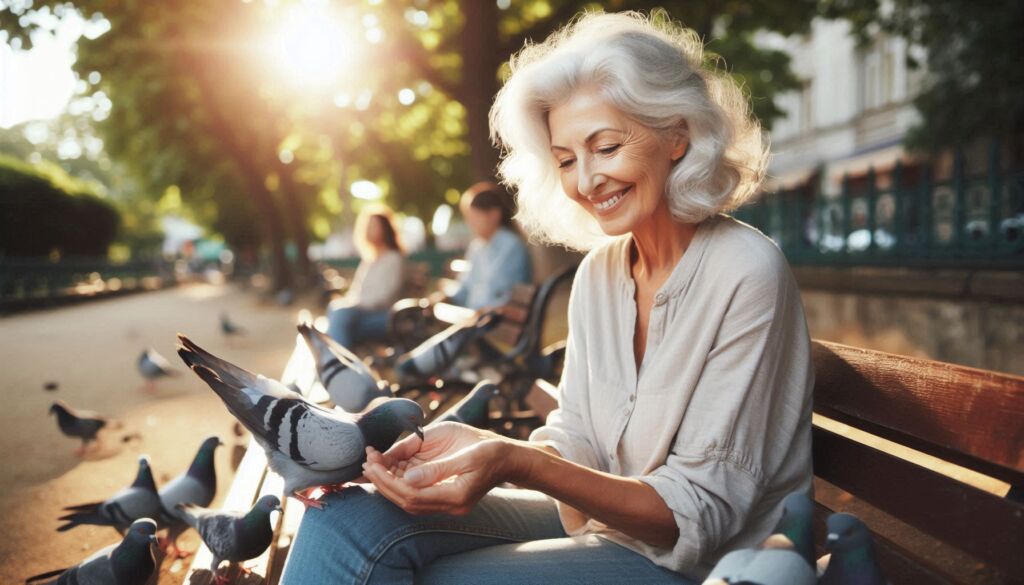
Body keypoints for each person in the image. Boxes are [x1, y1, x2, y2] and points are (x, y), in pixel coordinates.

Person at [281, 11, 814, 584]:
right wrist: (483, 447)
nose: (586, 181)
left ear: (678, 134)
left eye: (606, 146)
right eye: (565, 159)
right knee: (343, 518)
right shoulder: (599, 276)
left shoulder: (745, 271)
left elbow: (694, 518)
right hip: (612, 533)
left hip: (714, 566)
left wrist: (516, 461)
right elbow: (576, 440)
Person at [326, 204, 406, 348]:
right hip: (363, 313)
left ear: (385, 229)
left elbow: (385, 297)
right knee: (336, 310)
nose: (369, 229)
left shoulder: (393, 259)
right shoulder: (369, 260)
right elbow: (356, 291)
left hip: (384, 316)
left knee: (340, 318)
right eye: (367, 225)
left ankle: (338, 363)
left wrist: (357, 305)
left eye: (373, 225)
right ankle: (338, 360)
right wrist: (351, 303)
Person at [445, 181, 533, 310]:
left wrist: (478, 315)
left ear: (494, 215)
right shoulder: (476, 247)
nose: (470, 223)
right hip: (475, 320)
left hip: (493, 323)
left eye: (474, 216)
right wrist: (444, 296)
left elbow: (502, 295)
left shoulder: (511, 246)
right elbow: (465, 288)